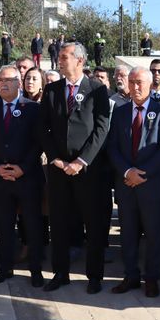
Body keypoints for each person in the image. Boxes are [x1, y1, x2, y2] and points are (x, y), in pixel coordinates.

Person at [39, 42, 111, 294]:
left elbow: (102, 128)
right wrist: (56, 159)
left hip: (88, 171)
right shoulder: (51, 90)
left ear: (79, 60)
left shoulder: (97, 90)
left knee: (92, 223)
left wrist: (82, 161)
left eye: (64, 56)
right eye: (59, 57)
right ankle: (61, 272)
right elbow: (43, 128)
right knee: (59, 223)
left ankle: (94, 276)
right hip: (59, 169)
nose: (59, 61)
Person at [107, 66, 160, 297]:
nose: (136, 87)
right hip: (126, 186)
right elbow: (112, 147)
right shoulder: (120, 112)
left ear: (150, 84)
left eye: (140, 83)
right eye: (132, 82)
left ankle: (151, 278)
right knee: (128, 233)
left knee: (154, 234)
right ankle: (131, 276)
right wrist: (127, 172)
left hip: (152, 186)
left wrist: (142, 173)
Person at [0, 66, 45, 286]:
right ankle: (5, 267)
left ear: (19, 82)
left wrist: (23, 168)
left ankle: (35, 269)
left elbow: (38, 144)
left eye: (8, 80)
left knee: (32, 225)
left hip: (27, 178)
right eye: (0, 81)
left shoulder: (33, 109)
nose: (3, 84)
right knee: (4, 226)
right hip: (0, 179)